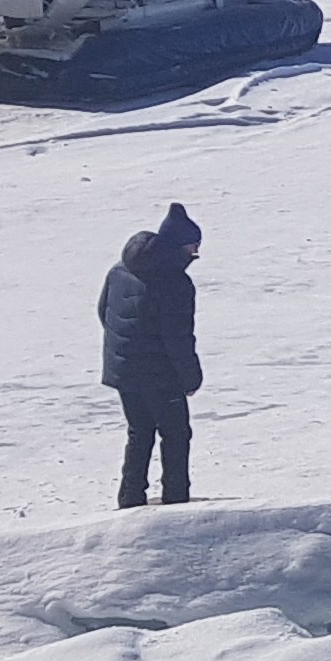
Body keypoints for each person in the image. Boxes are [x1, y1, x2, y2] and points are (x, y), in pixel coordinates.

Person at [97, 202, 202, 507]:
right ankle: (176, 502)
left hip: (124, 371)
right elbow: (178, 338)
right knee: (176, 434)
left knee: (140, 432)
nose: (196, 253)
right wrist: (190, 378)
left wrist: (126, 348)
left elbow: (104, 312)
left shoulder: (120, 268)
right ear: (181, 246)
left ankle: (130, 499)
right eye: (194, 247)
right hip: (161, 375)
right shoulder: (175, 284)